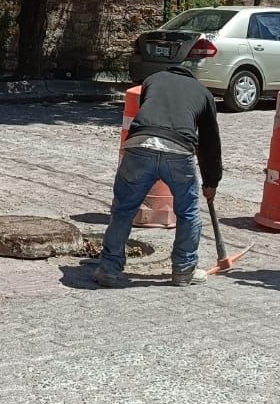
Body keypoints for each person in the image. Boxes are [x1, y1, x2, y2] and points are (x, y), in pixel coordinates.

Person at [95, 65, 223, 288]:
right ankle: (184, 271)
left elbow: (148, 111)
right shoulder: (203, 93)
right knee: (188, 213)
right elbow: (210, 142)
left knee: (123, 210)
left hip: (140, 145)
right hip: (178, 151)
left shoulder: (152, 79)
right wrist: (211, 181)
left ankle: (109, 269)